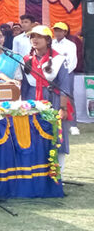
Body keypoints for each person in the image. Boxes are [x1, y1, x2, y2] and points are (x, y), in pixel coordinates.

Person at [22, 25, 73, 153]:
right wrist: (22, 104)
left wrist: (62, 108)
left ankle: (58, 164)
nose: (35, 39)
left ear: (48, 40)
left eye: (39, 37)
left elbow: (64, 86)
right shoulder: (26, 59)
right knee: (33, 133)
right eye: (32, 37)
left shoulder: (59, 59)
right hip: (31, 99)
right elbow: (24, 86)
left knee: (56, 133)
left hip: (53, 100)